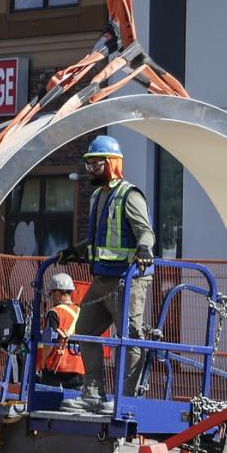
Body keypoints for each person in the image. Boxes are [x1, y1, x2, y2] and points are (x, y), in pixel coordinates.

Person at [56, 135, 155, 414]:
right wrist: (74, 251)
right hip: (102, 280)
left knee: (130, 336)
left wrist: (145, 248)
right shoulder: (98, 196)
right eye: (88, 163)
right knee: (85, 330)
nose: (90, 169)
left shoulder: (129, 195)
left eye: (96, 163)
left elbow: (145, 231)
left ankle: (126, 400)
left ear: (112, 164)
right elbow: (97, 242)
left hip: (127, 280)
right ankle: (94, 394)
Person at [37, 272, 84, 390]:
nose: (50, 297)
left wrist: (43, 363)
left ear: (57, 294)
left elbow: (49, 342)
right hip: (78, 368)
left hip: (57, 368)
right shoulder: (80, 312)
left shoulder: (55, 312)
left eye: (51, 293)